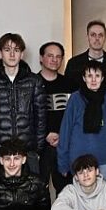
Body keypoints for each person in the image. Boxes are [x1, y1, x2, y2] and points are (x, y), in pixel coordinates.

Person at [0, 33, 45, 177]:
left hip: (28, 151)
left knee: (32, 190)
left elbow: (41, 118)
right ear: (0, 53)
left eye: (16, 50)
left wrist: (38, 150)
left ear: (22, 54)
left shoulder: (34, 81)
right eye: (7, 50)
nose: (12, 54)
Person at [57, 61, 106, 181]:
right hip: (79, 157)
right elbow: (65, 130)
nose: (93, 80)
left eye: (97, 76)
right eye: (89, 76)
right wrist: (62, 161)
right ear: (84, 78)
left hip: (105, 154)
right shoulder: (75, 98)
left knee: (105, 191)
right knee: (81, 192)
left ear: (103, 78)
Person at [37, 41, 76, 192]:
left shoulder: (70, 84)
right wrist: (45, 134)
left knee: (66, 189)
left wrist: (63, 136)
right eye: (50, 56)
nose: (54, 60)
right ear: (41, 58)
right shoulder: (32, 83)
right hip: (41, 146)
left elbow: (75, 115)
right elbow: (28, 115)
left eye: (58, 56)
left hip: (66, 144)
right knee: (40, 188)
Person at [64, 20, 106, 88]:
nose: (97, 38)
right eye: (93, 35)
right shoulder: (73, 64)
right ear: (87, 37)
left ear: (105, 37)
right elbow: (68, 89)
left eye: (100, 35)